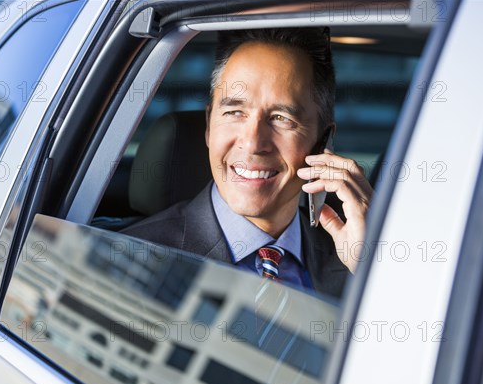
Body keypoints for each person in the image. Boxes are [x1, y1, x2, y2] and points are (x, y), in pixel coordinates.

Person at [123, 28, 373, 298]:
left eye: (281, 118)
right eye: (234, 112)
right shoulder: (130, 259)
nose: (253, 142)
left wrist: (373, 270)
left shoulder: (357, 259)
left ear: (323, 142)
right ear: (209, 127)